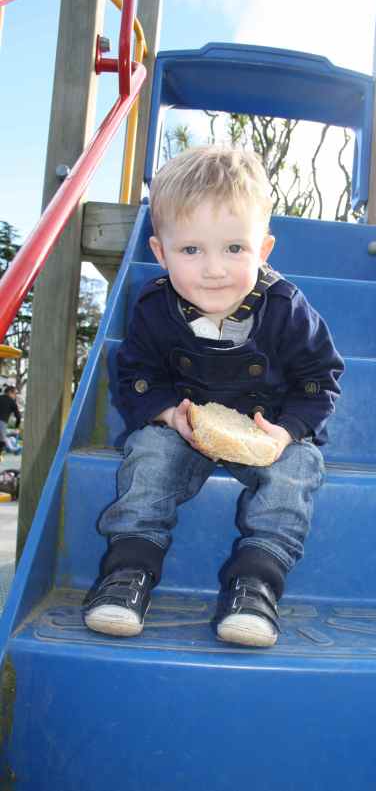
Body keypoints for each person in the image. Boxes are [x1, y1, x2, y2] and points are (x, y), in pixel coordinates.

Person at [83, 146, 344, 647]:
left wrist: (288, 431)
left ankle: (256, 583)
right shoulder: (153, 307)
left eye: (234, 249)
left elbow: (320, 377)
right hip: (187, 427)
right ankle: (128, 572)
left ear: (263, 250)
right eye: (191, 251)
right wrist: (164, 413)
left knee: (299, 470)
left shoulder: (288, 308)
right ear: (160, 253)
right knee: (149, 452)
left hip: (267, 433)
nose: (214, 269)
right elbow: (135, 372)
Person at [0, 386, 21, 457]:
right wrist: (16, 428)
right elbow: (18, 416)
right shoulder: (12, 402)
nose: (15, 396)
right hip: (1, 423)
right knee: (1, 442)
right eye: (15, 394)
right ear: (10, 392)